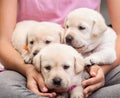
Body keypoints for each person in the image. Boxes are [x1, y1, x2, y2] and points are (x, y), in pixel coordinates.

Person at [0, 0, 120, 98]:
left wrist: (100, 71)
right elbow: (3, 41)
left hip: (88, 60)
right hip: (31, 62)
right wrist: (29, 70)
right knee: (4, 87)